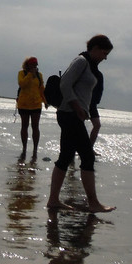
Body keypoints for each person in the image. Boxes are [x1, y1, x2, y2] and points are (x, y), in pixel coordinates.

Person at [44, 34, 116, 213]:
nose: (105, 57)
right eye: (104, 53)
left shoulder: (90, 66)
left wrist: (85, 110)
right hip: (69, 114)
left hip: (72, 115)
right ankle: (93, 203)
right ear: (96, 48)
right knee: (88, 156)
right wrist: (77, 107)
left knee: (66, 156)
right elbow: (65, 84)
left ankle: (53, 200)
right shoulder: (81, 61)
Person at [16, 56, 47, 161]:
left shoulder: (39, 75)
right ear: (28, 65)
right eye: (32, 65)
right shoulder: (22, 73)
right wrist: (30, 74)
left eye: (36, 65)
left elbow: (42, 89)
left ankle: (35, 149)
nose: (34, 66)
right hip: (24, 104)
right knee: (24, 126)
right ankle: (24, 148)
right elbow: (22, 84)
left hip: (36, 104)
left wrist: (45, 101)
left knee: (35, 126)